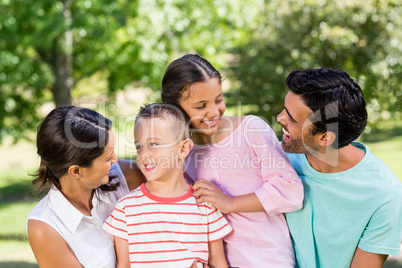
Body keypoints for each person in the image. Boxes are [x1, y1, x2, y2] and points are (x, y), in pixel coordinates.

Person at [161, 54, 304, 267]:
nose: (214, 111)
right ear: (175, 108)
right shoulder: (182, 153)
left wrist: (230, 203)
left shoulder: (250, 130)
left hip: (268, 258)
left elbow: (291, 191)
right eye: (201, 106)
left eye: (218, 100)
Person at [277, 67, 402, 268]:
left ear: (325, 137)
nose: (279, 118)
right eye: (284, 109)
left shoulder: (384, 196)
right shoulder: (278, 160)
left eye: (291, 118)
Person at [102, 103, 233, 268]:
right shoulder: (126, 208)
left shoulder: (204, 205)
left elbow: (219, 263)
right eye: (139, 146)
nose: (143, 154)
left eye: (154, 144)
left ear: (183, 148)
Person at [27, 106, 146, 268]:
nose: (115, 160)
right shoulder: (45, 228)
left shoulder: (130, 176)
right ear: (76, 171)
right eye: (107, 158)